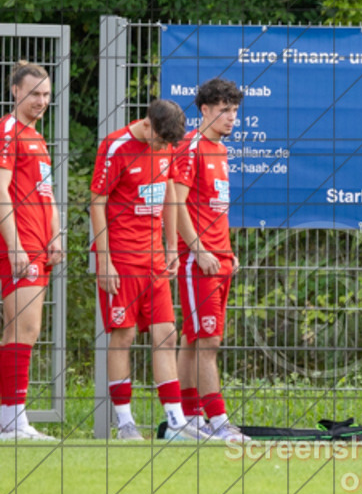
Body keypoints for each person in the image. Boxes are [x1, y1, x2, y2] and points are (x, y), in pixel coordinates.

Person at [90, 99, 207, 441]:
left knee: (166, 335)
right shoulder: (115, 146)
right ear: (147, 125)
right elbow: (97, 201)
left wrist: (172, 245)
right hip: (122, 259)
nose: (163, 148)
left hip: (154, 258)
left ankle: (175, 422)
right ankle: (124, 422)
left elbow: (169, 190)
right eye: (160, 141)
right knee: (123, 335)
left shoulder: (167, 144)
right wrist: (105, 259)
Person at [172, 79, 248, 442]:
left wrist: (225, 251)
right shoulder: (191, 146)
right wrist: (198, 248)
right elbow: (176, 202)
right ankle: (218, 422)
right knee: (207, 341)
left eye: (234, 110)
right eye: (223, 110)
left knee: (194, 338)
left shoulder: (220, 149)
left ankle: (188, 420)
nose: (231, 117)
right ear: (204, 110)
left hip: (220, 258)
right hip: (198, 260)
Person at [0, 62, 62, 440]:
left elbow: (46, 193)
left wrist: (55, 235)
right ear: (15, 92)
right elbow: (0, 191)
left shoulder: (37, 137)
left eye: (46, 94)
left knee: (21, 330)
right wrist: (15, 246)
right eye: (34, 93)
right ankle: (14, 422)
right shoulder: (9, 131)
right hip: (20, 244)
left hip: (40, 244)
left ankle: (10, 419)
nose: (41, 101)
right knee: (24, 329)